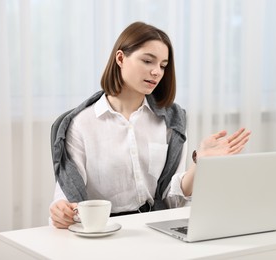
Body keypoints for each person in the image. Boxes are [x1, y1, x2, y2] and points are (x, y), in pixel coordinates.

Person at [49, 21, 251, 229]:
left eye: (163, 66)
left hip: (153, 228)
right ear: (120, 58)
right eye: (148, 61)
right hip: (103, 231)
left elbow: (171, 198)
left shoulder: (171, 121)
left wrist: (201, 164)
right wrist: (60, 210)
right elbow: (66, 195)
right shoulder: (80, 124)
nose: (157, 72)